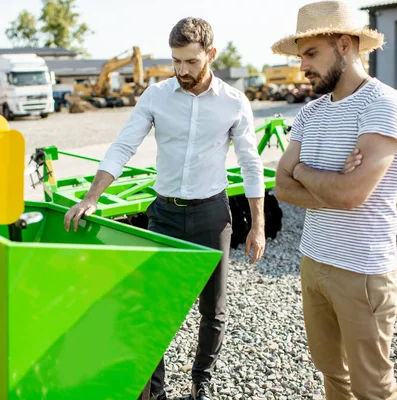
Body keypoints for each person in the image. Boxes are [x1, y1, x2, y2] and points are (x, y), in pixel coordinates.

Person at [63, 17, 267, 400]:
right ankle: (154, 391)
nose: (182, 71)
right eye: (176, 61)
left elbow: (251, 163)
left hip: (211, 213)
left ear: (211, 54)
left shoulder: (233, 102)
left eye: (190, 62)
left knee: (214, 308)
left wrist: (257, 225)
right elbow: (123, 146)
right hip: (165, 215)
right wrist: (92, 196)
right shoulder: (156, 96)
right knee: (151, 307)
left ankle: (201, 380)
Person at [273, 1, 397, 399]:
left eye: (312, 54)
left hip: (362, 269)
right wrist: (322, 180)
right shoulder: (312, 112)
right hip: (313, 258)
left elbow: (352, 195)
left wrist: (302, 172)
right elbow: (281, 187)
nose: (303, 67)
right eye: (302, 56)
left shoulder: (383, 105)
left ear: (345, 44)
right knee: (333, 375)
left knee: (373, 386)